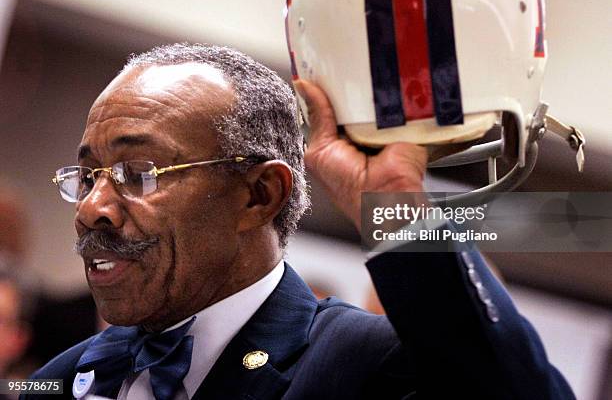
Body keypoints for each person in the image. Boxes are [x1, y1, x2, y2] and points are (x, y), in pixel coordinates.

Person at [26, 43, 575, 399]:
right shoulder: (56, 381)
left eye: (138, 172)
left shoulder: (363, 365)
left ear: (258, 195)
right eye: (88, 175)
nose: (91, 207)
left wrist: (399, 211)